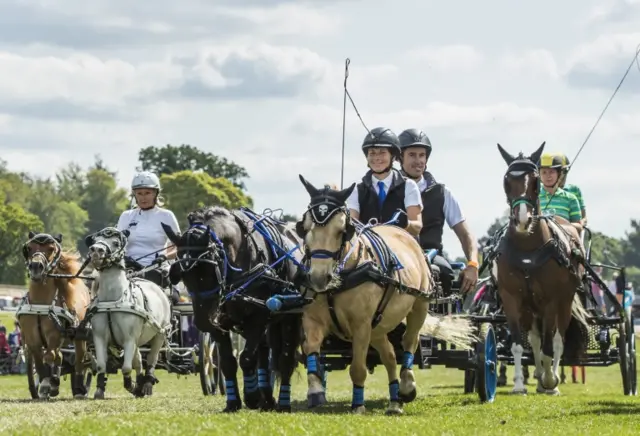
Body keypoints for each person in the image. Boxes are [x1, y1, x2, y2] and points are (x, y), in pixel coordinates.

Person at [397, 128, 479, 295]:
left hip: (431, 255)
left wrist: (473, 264)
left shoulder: (442, 193)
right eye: (412, 155)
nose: (418, 160)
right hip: (395, 254)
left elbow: (465, 234)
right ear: (400, 158)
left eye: (422, 155)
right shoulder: (390, 189)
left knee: (445, 272)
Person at [116, 171, 181, 304]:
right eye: (139, 193)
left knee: (173, 299)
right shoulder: (126, 216)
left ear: (156, 194)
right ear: (134, 195)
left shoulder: (166, 216)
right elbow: (116, 244)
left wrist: (164, 257)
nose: (143, 198)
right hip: (128, 270)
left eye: (147, 193)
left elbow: (180, 247)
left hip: (156, 270)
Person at [346, 127, 423, 237]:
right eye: (372, 153)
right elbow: (352, 223)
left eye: (382, 152)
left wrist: (405, 223)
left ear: (392, 156)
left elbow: (417, 227)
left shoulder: (409, 186)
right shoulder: (357, 189)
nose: (377, 158)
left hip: (400, 247)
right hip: (369, 249)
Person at [538, 153, 583, 233]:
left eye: (551, 172)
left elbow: (579, 226)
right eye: (544, 172)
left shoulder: (571, 198)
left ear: (559, 174)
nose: (548, 176)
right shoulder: (534, 197)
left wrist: (560, 225)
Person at [557, 153, 587, 227]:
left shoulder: (575, 190)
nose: (562, 175)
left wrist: (578, 225)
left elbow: (584, 217)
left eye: (564, 171)